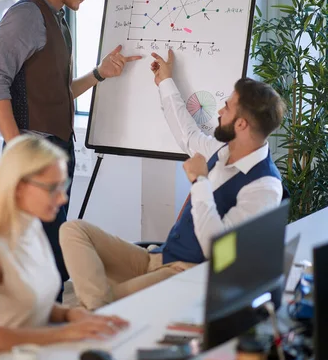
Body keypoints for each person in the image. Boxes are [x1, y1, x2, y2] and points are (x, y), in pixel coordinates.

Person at [59, 50, 286, 310]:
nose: (221, 110)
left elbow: (217, 249)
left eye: (228, 106)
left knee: (90, 306)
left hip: (186, 271)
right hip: (157, 256)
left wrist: (200, 182)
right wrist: (165, 81)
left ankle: (97, 312)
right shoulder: (223, 151)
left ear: (242, 125)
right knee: (73, 230)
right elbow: (187, 134)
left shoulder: (264, 187)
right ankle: (99, 308)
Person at [0, 0, 141, 298]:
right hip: (33, 154)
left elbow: (57, 92)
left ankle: (51, 331)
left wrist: (100, 74)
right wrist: (18, 148)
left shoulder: (57, 20)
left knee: (52, 254)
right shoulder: (25, 17)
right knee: (34, 257)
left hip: (55, 152)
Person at [0, 135, 128, 358]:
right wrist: (65, 333)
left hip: (34, 356)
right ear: (19, 187)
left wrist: (72, 315)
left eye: (63, 185)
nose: (62, 198)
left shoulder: (34, 228)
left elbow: (34, 305)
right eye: (52, 188)